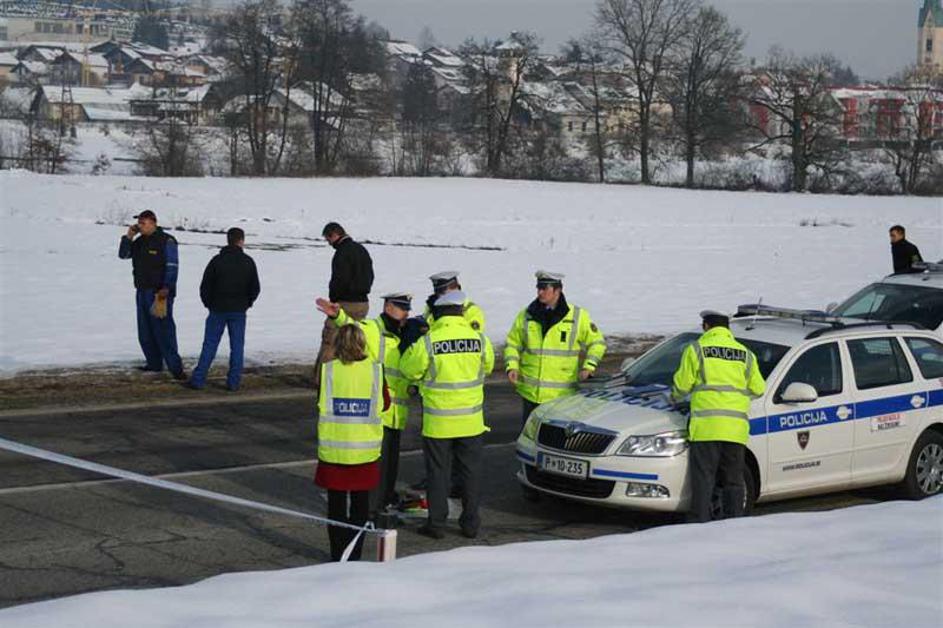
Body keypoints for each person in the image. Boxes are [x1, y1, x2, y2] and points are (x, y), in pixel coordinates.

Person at [400, 290, 495, 540]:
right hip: (471, 422)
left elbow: (408, 369)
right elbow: (488, 366)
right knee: (470, 473)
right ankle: (471, 523)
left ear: (438, 314)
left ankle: (437, 524)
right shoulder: (479, 339)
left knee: (438, 474)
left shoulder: (429, 341)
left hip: (439, 422)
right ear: (461, 312)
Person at [316, 292, 413, 514]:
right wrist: (338, 314)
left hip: (398, 414)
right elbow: (351, 327)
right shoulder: (372, 329)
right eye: (402, 308)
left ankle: (382, 503)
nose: (407, 312)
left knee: (390, 471)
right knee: (376, 472)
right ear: (388, 308)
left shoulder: (402, 333)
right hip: (379, 415)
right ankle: (373, 510)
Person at [670, 310, 766, 524]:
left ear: (706, 326)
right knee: (733, 480)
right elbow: (759, 388)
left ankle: (699, 523)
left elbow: (682, 385)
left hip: (706, 428)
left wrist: (674, 396)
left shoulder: (697, 349)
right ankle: (734, 523)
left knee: (704, 479)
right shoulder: (745, 353)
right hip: (735, 430)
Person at [315, 324, 391, 561]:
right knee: (360, 507)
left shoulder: (329, 371)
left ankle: (337, 555)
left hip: (334, 451)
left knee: (335, 508)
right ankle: (354, 555)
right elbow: (385, 404)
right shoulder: (375, 371)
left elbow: (321, 401)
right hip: (363, 452)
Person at [504, 271, 606, 425]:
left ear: (558, 290)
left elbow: (597, 343)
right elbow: (512, 343)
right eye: (538, 288)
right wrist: (511, 367)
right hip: (531, 394)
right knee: (530, 439)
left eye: (545, 288)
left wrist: (589, 367)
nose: (540, 292)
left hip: (562, 396)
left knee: (556, 440)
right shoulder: (526, 315)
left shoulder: (577, 316)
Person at [188, 228, 261, 392]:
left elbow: (205, 286)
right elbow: (255, 288)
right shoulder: (248, 262)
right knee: (237, 347)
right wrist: (247, 303)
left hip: (217, 309)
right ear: (242, 240)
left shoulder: (217, 261)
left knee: (209, 345)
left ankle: (198, 379)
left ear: (227, 240)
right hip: (238, 311)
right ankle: (233, 382)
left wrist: (209, 303)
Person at [118, 209, 185, 379]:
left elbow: (172, 266)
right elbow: (123, 255)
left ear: (153, 223)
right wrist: (128, 237)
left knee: (163, 330)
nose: (140, 226)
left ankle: (175, 368)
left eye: (143, 223)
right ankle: (154, 363)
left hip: (159, 293)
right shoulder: (139, 242)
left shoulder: (166, 241)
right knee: (145, 331)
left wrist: (167, 287)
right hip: (141, 291)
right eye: (139, 223)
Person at [314, 222, 374, 390]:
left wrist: (334, 300)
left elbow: (339, 280)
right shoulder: (362, 250)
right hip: (362, 303)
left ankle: (322, 379)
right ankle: (352, 375)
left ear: (334, 235)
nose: (329, 243)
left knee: (331, 340)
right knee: (353, 341)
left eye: (328, 239)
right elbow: (370, 276)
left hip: (344, 304)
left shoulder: (341, 253)